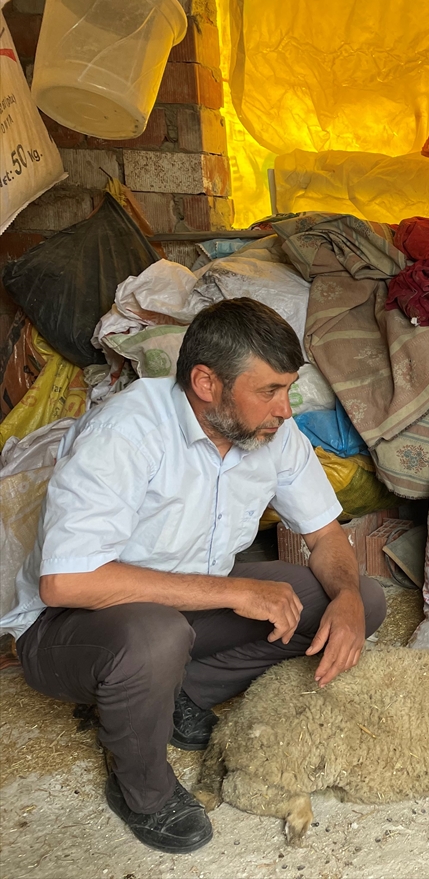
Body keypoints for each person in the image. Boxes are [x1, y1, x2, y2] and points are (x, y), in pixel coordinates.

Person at [0, 298, 387, 854]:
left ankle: (170, 693)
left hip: (181, 612)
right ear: (206, 382)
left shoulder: (271, 434)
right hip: (72, 628)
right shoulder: (129, 431)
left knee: (361, 603)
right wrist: (234, 590)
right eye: (269, 391)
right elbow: (66, 582)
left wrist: (348, 596)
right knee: (155, 636)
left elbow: (325, 536)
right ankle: (142, 790)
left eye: (288, 388)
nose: (285, 408)